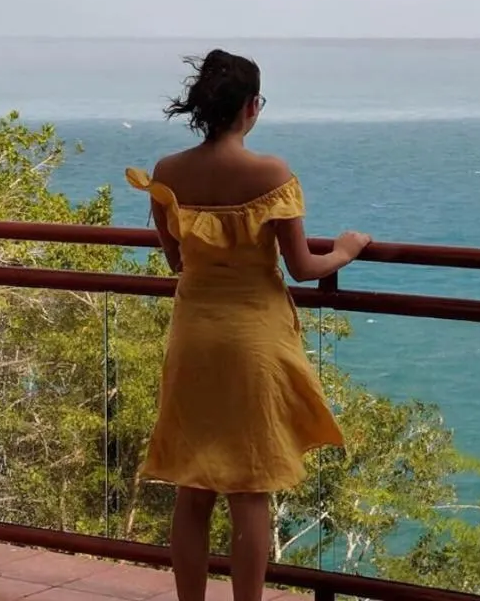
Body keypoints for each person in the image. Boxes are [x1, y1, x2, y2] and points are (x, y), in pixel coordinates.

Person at [126, 48, 371, 601]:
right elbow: (304, 268)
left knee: (193, 488)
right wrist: (349, 251)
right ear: (251, 108)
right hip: (253, 339)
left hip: (194, 335)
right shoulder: (271, 173)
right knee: (250, 488)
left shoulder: (169, 173)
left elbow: (175, 261)